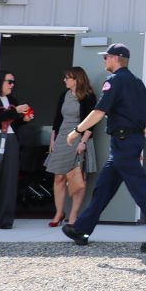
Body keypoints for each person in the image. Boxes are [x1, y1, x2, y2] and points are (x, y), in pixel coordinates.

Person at [61, 44, 146, 252]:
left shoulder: (114, 81)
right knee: (103, 189)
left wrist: (77, 131)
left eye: (106, 57)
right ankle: (82, 229)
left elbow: (99, 112)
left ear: (115, 59)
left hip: (124, 143)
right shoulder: (137, 83)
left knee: (140, 189)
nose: (104, 60)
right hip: (128, 143)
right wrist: (140, 141)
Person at [45, 67, 98, 227]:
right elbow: (57, 119)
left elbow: (92, 121)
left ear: (77, 79)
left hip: (79, 139)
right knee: (59, 177)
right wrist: (52, 140)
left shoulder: (88, 97)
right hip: (61, 138)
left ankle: (73, 216)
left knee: (77, 178)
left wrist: (83, 141)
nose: (64, 80)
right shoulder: (64, 95)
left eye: (67, 78)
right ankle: (59, 212)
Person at [0, 70, 35, 229]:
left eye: (13, 82)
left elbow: (15, 122)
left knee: (9, 180)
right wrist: (16, 111)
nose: (12, 85)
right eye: (9, 81)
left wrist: (24, 119)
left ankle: (5, 220)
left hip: (11, 140)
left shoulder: (12, 100)